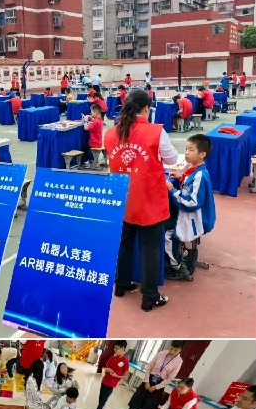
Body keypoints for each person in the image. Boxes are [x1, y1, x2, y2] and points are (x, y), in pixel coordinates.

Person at [105, 90, 177, 311]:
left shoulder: (111, 133)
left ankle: (121, 284)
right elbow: (172, 159)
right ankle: (149, 296)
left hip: (122, 197)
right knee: (150, 248)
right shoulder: (156, 132)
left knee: (124, 243)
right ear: (147, 108)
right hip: (148, 199)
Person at [165, 134, 216, 279]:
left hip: (195, 218)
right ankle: (184, 253)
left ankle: (177, 267)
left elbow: (191, 203)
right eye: (186, 149)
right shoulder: (193, 169)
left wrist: (172, 190)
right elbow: (189, 187)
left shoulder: (199, 176)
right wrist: (181, 178)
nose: (186, 153)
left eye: (191, 150)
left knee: (166, 234)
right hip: (190, 214)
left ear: (202, 154)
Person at [124, 341, 185, 409]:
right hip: (149, 380)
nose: (172, 351)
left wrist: (156, 387)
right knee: (137, 399)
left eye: (175, 350)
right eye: (171, 348)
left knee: (149, 405)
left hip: (159, 385)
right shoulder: (161, 353)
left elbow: (169, 378)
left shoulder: (179, 361)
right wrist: (146, 382)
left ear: (180, 350)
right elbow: (148, 368)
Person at [90, 340, 129, 409]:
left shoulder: (125, 361)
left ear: (123, 349)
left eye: (117, 349)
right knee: (101, 400)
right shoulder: (112, 358)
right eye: (114, 348)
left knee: (102, 401)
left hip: (111, 384)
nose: (115, 350)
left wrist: (116, 376)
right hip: (104, 381)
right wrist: (107, 370)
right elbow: (106, 369)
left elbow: (126, 376)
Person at [81, 103, 103, 169]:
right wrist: (91, 119)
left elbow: (86, 128)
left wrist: (86, 121)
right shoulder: (100, 120)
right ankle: (91, 159)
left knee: (82, 147)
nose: (91, 114)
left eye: (92, 112)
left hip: (93, 143)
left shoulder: (96, 122)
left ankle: (86, 162)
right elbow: (95, 122)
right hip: (98, 142)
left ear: (96, 112)